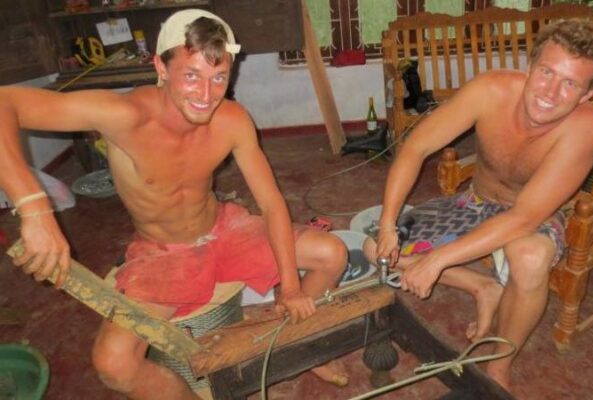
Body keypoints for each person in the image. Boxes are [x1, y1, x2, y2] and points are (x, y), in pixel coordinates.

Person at [0, 9, 349, 399]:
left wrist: (291, 288)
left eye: (219, 77)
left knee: (332, 253)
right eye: (191, 76)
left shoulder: (233, 119)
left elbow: (271, 204)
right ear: (161, 68)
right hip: (165, 253)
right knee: (114, 363)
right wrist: (34, 209)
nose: (206, 95)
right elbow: (4, 103)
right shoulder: (124, 115)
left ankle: (297, 344)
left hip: (224, 230)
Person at [363, 19, 593, 391]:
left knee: (530, 257)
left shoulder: (586, 127)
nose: (550, 92)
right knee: (374, 248)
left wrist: (438, 260)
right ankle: (482, 287)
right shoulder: (490, 90)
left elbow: (524, 218)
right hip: (474, 202)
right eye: (547, 72)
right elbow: (416, 147)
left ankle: (500, 365)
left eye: (570, 83)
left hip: (533, 216)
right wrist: (388, 224)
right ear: (530, 67)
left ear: (587, 94)